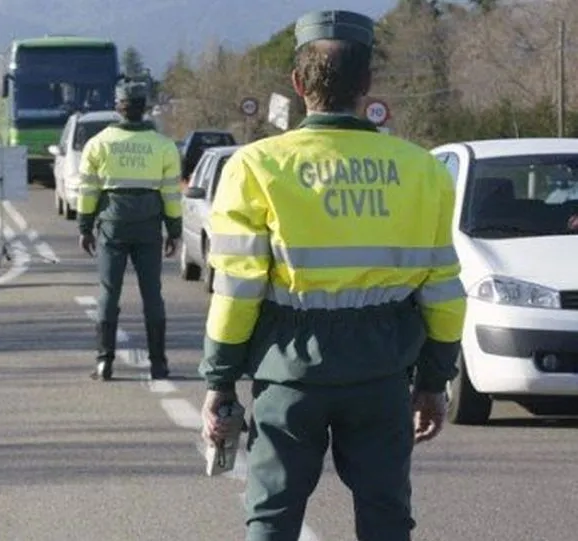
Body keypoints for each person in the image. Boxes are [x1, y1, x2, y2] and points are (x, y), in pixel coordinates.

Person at [198, 10, 467, 541]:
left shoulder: (254, 166)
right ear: (367, 84)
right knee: (386, 515)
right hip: (382, 373)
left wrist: (220, 380)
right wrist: (434, 382)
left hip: (289, 375)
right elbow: (443, 290)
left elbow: (237, 290)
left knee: (272, 517)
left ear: (298, 85)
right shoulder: (423, 169)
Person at [76, 81, 183, 381]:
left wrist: (85, 226)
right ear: (144, 108)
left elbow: (87, 190)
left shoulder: (98, 144)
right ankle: (158, 364)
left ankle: (104, 362)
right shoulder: (163, 146)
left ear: (117, 107)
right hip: (149, 226)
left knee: (109, 292)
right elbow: (171, 193)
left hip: (112, 225)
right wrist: (174, 230)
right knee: (152, 294)